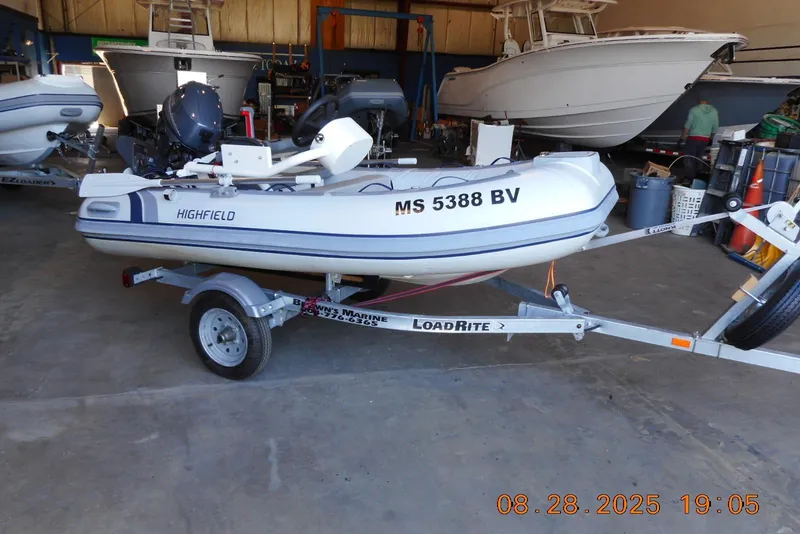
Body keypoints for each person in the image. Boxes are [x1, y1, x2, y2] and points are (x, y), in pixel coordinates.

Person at [678, 96, 719, 181]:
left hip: (693, 138)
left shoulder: (694, 110)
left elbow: (688, 125)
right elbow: (715, 127)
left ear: (699, 100)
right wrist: (711, 138)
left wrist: (683, 137)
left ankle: (689, 178)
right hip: (705, 139)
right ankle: (697, 178)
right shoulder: (714, 111)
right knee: (698, 157)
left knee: (689, 158)